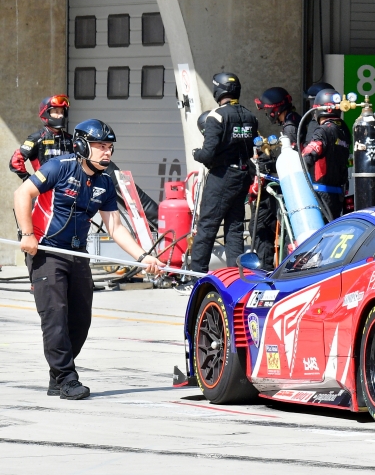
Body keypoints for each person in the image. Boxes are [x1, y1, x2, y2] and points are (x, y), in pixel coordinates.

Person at [13, 119, 164, 400]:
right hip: (46, 252)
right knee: (55, 316)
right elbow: (22, 194)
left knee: (80, 321)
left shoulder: (105, 183)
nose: (107, 153)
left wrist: (144, 257)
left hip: (77, 254)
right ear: (83, 146)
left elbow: (116, 228)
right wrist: (27, 234)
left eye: (109, 147)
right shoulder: (59, 167)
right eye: (100, 147)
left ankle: (57, 377)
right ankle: (68, 379)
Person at [190, 72, 258, 273]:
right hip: (243, 176)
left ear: (217, 91)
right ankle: (237, 276)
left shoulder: (216, 116)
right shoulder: (250, 116)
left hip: (221, 177)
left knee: (207, 227)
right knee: (235, 228)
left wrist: (196, 154)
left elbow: (208, 154)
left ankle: (196, 276)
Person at [301, 88, 350, 220]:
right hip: (338, 195)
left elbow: (308, 156)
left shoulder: (323, 131)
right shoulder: (344, 130)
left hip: (321, 194)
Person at [9, 95, 73, 180]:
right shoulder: (37, 138)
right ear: (46, 113)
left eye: (62, 112)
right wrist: (29, 180)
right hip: (45, 191)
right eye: (56, 112)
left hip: (67, 191)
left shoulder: (70, 139)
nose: (60, 115)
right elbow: (15, 161)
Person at [247, 136, 279, 268]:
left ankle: (265, 267)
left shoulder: (262, 160)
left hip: (266, 201)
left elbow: (256, 188)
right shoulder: (270, 160)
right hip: (271, 201)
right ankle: (267, 265)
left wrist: (249, 195)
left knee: (258, 229)